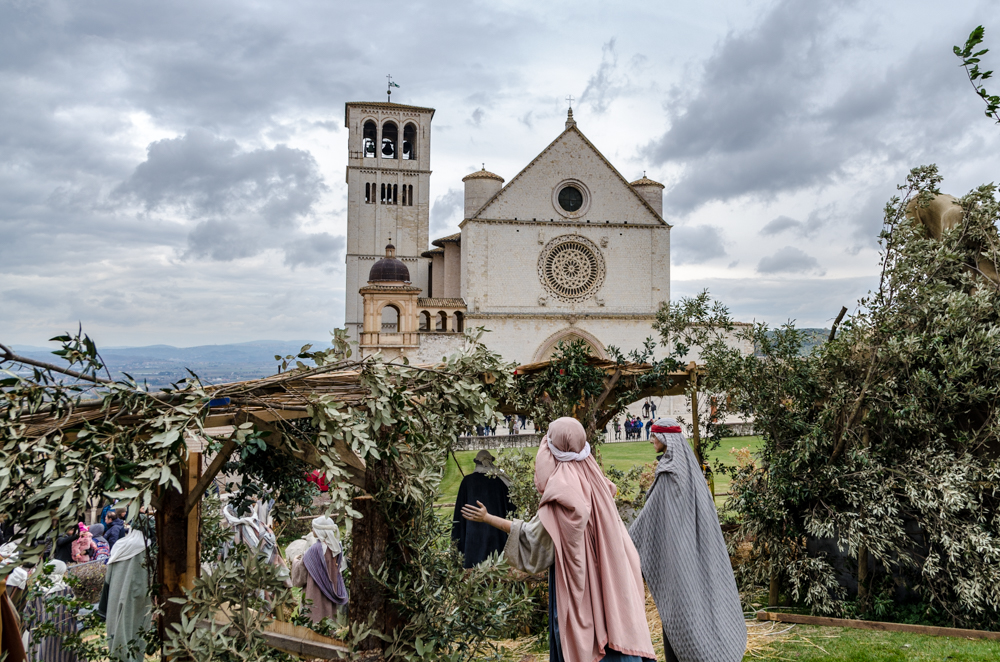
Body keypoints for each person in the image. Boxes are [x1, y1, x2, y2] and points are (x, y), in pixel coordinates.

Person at [463, 417, 655, 662]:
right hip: (612, 582)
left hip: (578, 587)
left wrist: (488, 518)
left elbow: (532, 538)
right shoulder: (595, 480)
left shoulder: (563, 495)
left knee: (584, 639)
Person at [628, 418, 746, 662]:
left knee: (678, 611)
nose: (651, 440)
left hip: (679, 559)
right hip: (691, 552)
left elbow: (649, 517)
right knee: (686, 609)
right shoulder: (688, 471)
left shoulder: (669, 476)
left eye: (655, 435)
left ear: (667, 439)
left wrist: (623, 540)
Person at [451, 450, 514, 569]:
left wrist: (457, 547)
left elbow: (458, 518)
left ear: (476, 463)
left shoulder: (467, 482)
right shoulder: (501, 483)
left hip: (473, 540)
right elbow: (511, 510)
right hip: (497, 536)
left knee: (474, 575)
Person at [102, 528, 151, 662]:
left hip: (115, 593)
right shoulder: (147, 546)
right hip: (139, 595)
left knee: (116, 628)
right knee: (135, 630)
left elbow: (108, 577)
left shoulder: (119, 545)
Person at [290, 517, 348, 623]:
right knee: (329, 619)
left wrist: (294, 562)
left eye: (314, 528)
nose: (312, 530)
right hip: (330, 592)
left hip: (314, 593)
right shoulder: (336, 547)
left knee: (314, 619)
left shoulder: (314, 550)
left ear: (320, 531)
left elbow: (301, 575)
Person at [24, 560, 80, 662]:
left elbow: (27, 614)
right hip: (64, 633)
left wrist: (32, 628)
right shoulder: (66, 589)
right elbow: (75, 610)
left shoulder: (37, 589)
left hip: (41, 634)